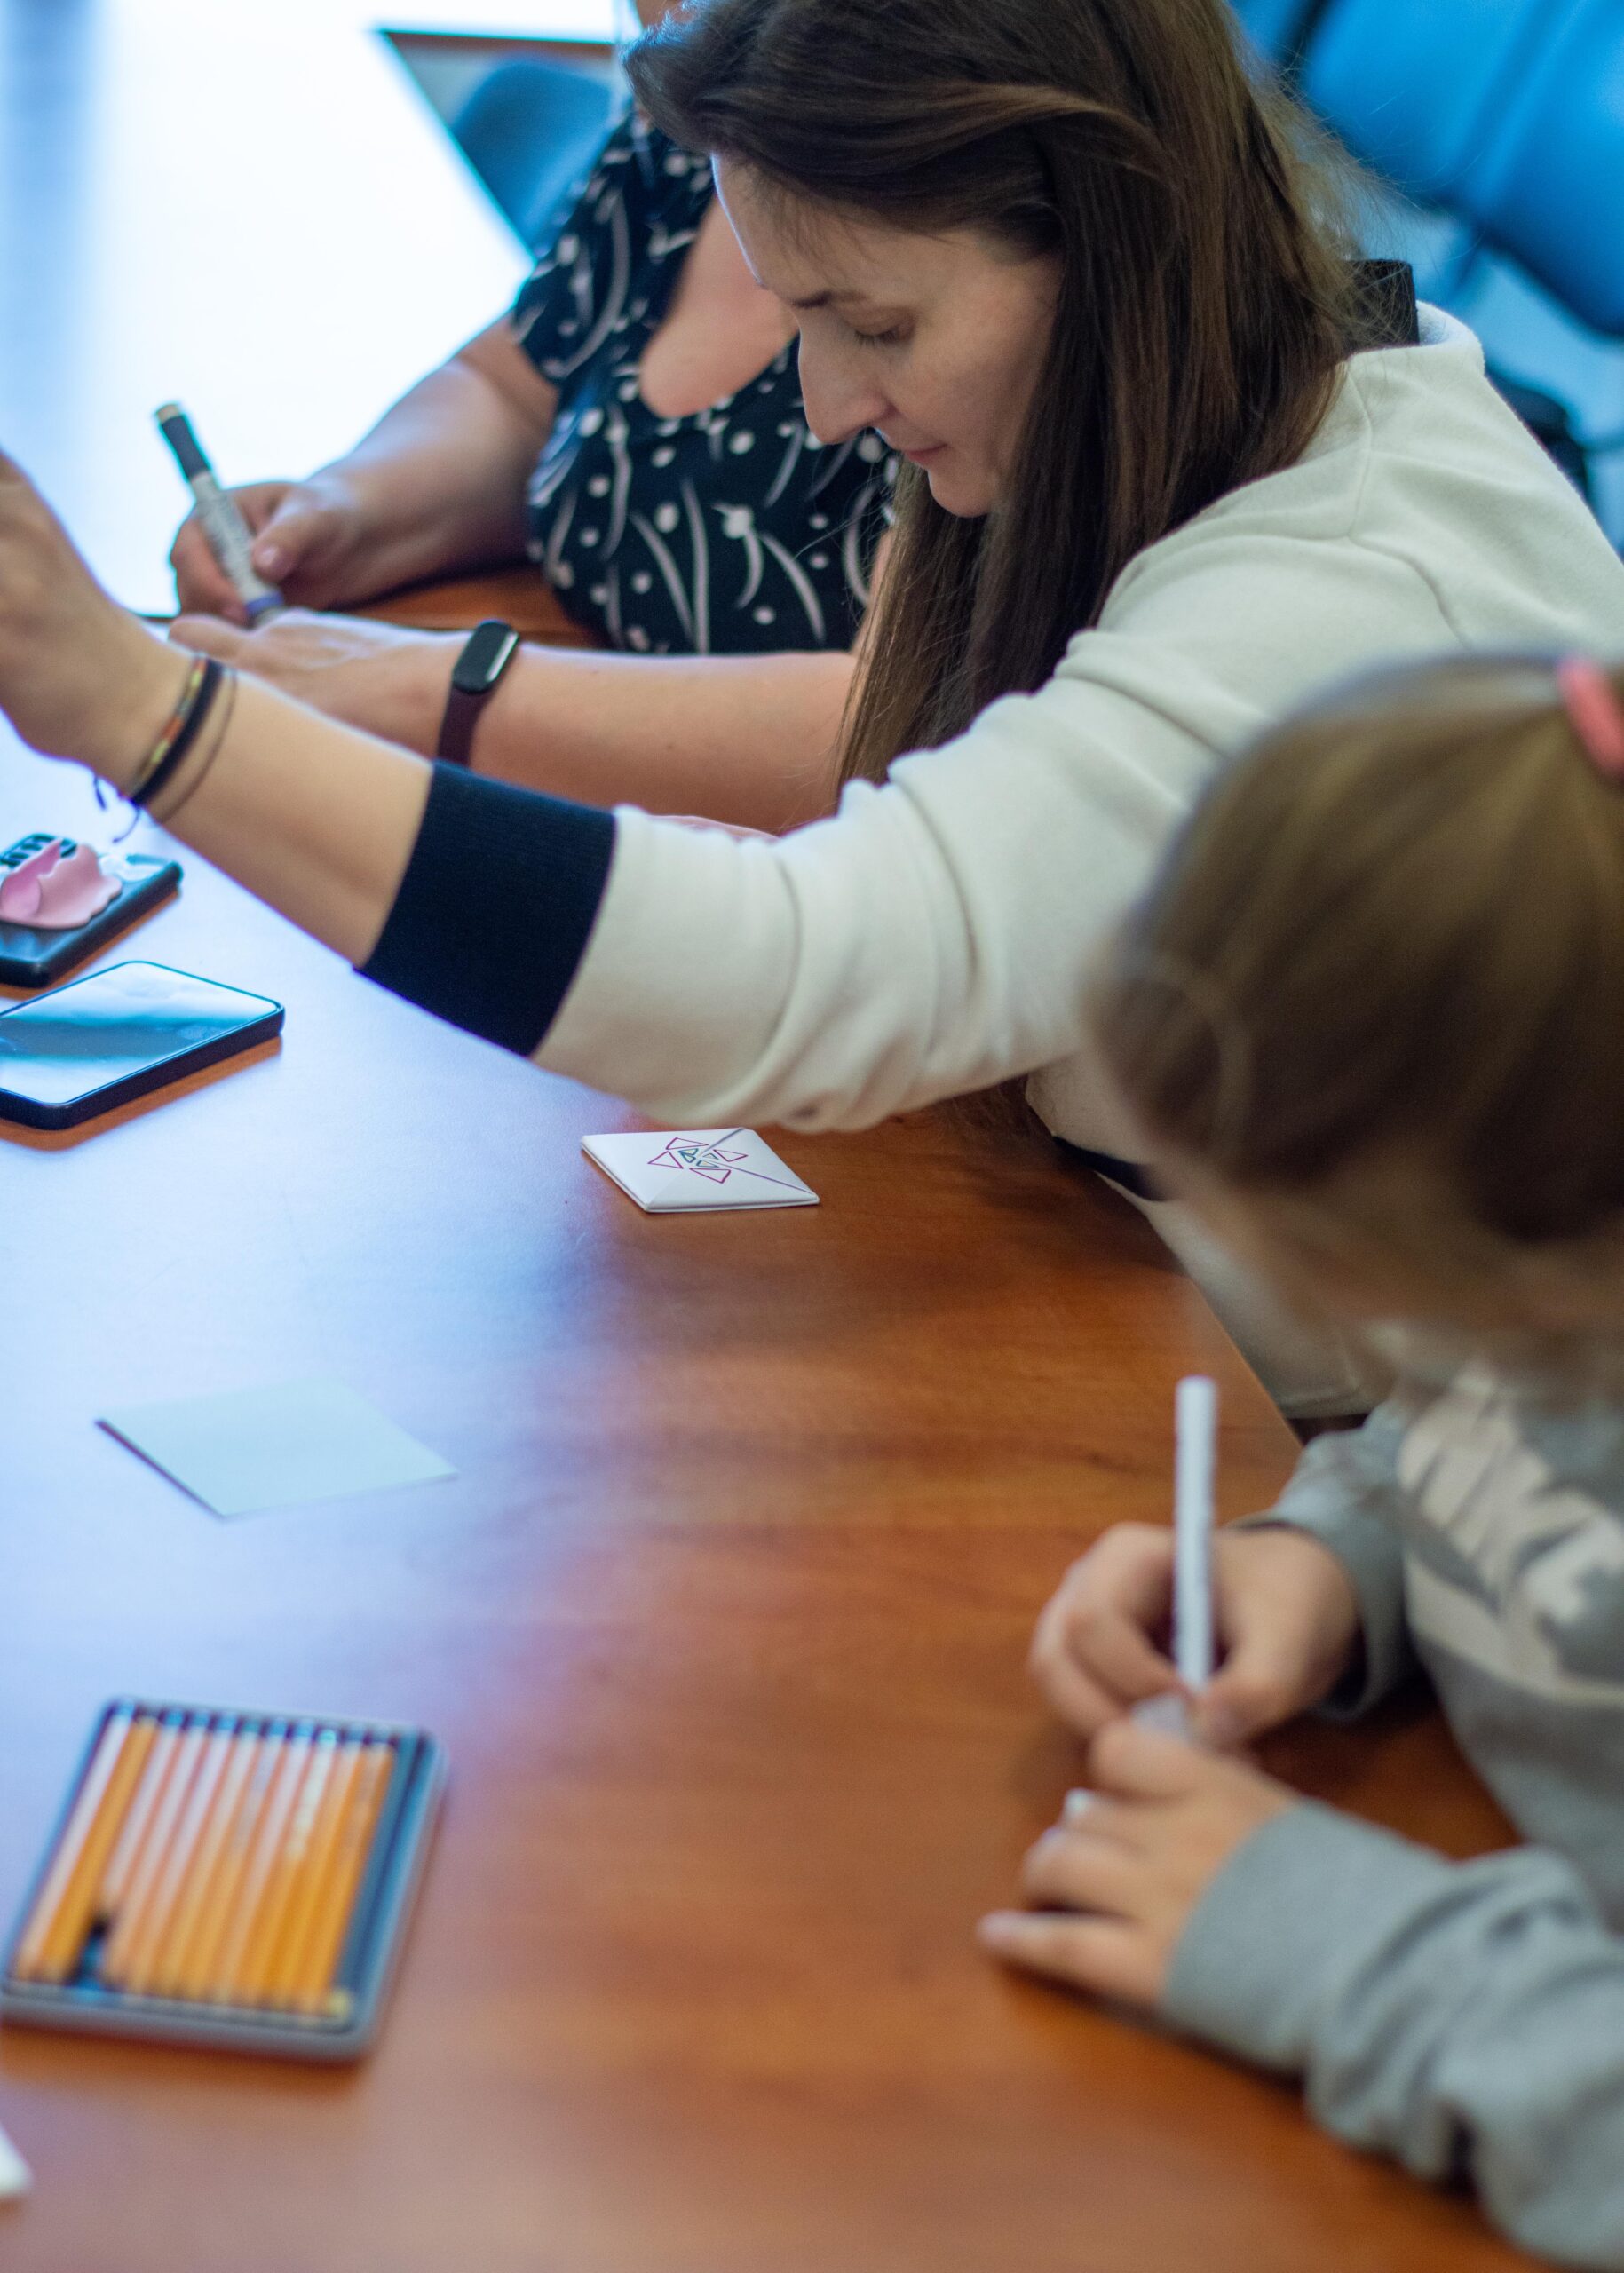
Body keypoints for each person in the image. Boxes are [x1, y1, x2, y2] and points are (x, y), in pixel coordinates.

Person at [4, 0, 1624, 1417]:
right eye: (800, 323)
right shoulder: (1153, 391)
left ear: (1101, 230)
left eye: (875, 327)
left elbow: (794, 968)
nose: (832, 407)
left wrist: (148, 714)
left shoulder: (1325, 588)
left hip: (1393, 1489)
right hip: (1196, 1355)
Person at [996, 654, 1624, 2269]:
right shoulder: (1556, 1277)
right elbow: (1490, 1421)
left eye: (1389, 1297)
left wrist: (1352, 1953)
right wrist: (1335, 1559)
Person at [168, 2, 895, 835]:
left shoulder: (943, 189)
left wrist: (418, 688)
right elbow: (520, 388)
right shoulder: (695, 104)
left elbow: (891, 727)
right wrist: (349, 512)